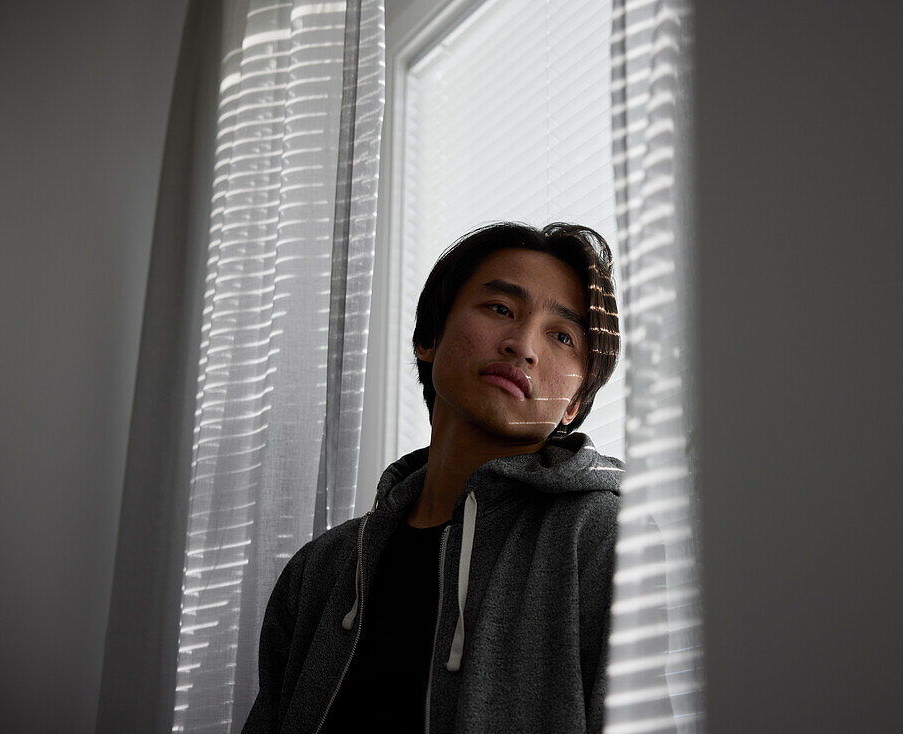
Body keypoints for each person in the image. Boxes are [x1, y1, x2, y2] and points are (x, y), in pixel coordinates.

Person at [241, 222, 623, 733]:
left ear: (574, 405)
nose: (522, 345)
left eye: (562, 336)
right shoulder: (322, 569)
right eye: (501, 309)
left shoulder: (605, 538)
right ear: (429, 338)